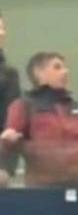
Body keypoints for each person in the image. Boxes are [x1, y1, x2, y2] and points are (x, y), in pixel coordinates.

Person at [0, 52, 78, 187]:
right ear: (39, 73)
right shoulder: (24, 107)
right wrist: (6, 154)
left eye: (65, 68)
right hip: (41, 193)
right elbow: (7, 146)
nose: (65, 72)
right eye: (57, 67)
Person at [0, 12, 20, 184]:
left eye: (2, 28)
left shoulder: (8, 74)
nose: (2, 33)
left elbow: (13, 122)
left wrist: (6, 167)